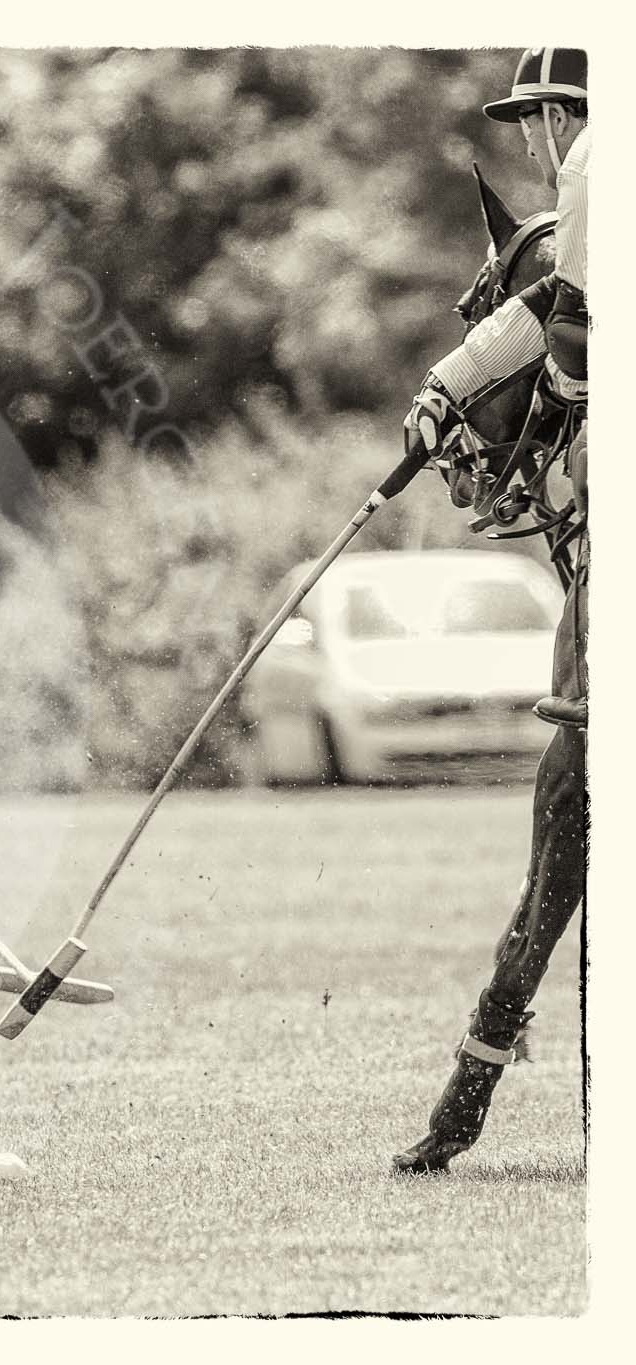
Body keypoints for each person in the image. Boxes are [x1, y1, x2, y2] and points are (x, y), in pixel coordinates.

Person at [394, 47, 589, 1174]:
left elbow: (561, 323)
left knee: (566, 840)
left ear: (569, 113)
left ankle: (464, 1098)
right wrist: (443, 387)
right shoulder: (582, 208)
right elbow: (543, 302)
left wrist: (560, 387)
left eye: (536, 118)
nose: (529, 140)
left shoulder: (600, 166)